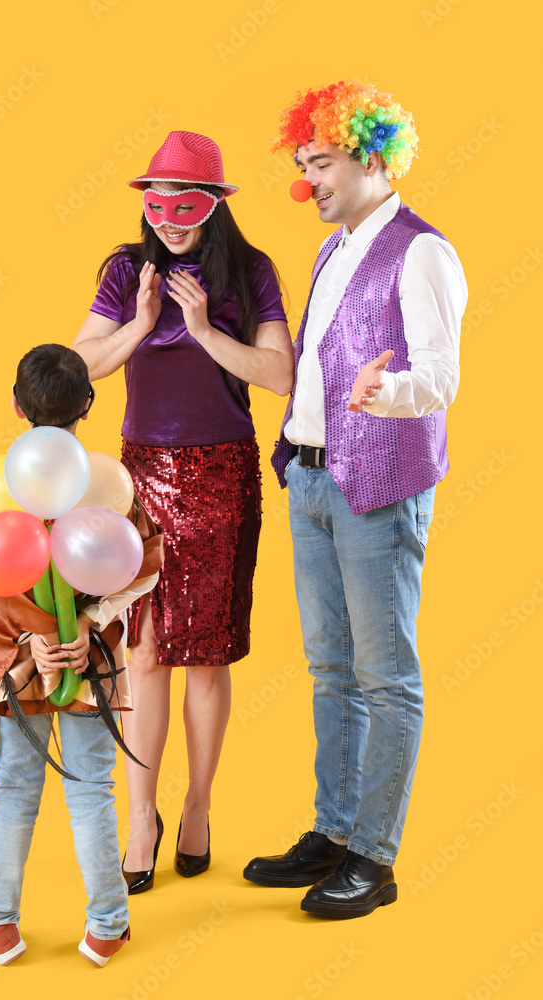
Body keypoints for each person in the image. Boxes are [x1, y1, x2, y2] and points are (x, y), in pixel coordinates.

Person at [243, 82, 468, 918]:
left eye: (323, 163)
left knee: (385, 678)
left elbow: (441, 378)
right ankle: (333, 833)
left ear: (372, 156)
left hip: (376, 486)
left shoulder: (421, 252)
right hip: (308, 477)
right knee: (329, 669)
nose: (310, 182)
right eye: (303, 165)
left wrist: (388, 392)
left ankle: (373, 859)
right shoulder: (333, 248)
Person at [73, 131, 294, 892]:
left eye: (185, 203)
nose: (168, 219)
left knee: (206, 656)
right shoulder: (124, 270)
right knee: (145, 652)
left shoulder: (250, 272)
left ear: (216, 204)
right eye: (156, 203)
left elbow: (278, 375)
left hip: (222, 473)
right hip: (141, 478)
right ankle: (141, 816)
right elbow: (81, 366)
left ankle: (197, 806)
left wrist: (203, 331)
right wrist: (138, 324)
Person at [0, 344, 163, 965]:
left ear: (16, 405)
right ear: (90, 404)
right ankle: (107, 925)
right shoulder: (110, 483)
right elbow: (145, 565)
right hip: (89, 660)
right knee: (91, 791)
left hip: (23, 662)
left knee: (16, 791)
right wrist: (90, 621)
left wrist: (30, 644)